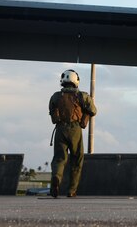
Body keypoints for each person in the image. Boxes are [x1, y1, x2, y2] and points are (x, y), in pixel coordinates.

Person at [48, 69, 97, 198]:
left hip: (60, 129)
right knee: (76, 159)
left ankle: (56, 177)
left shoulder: (55, 96)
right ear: (76, 81)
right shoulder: (82, 96)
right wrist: (85, 116)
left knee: (59, 158)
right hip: (75, 129)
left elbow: (52, 110)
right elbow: (93, 110)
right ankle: (71, 190)